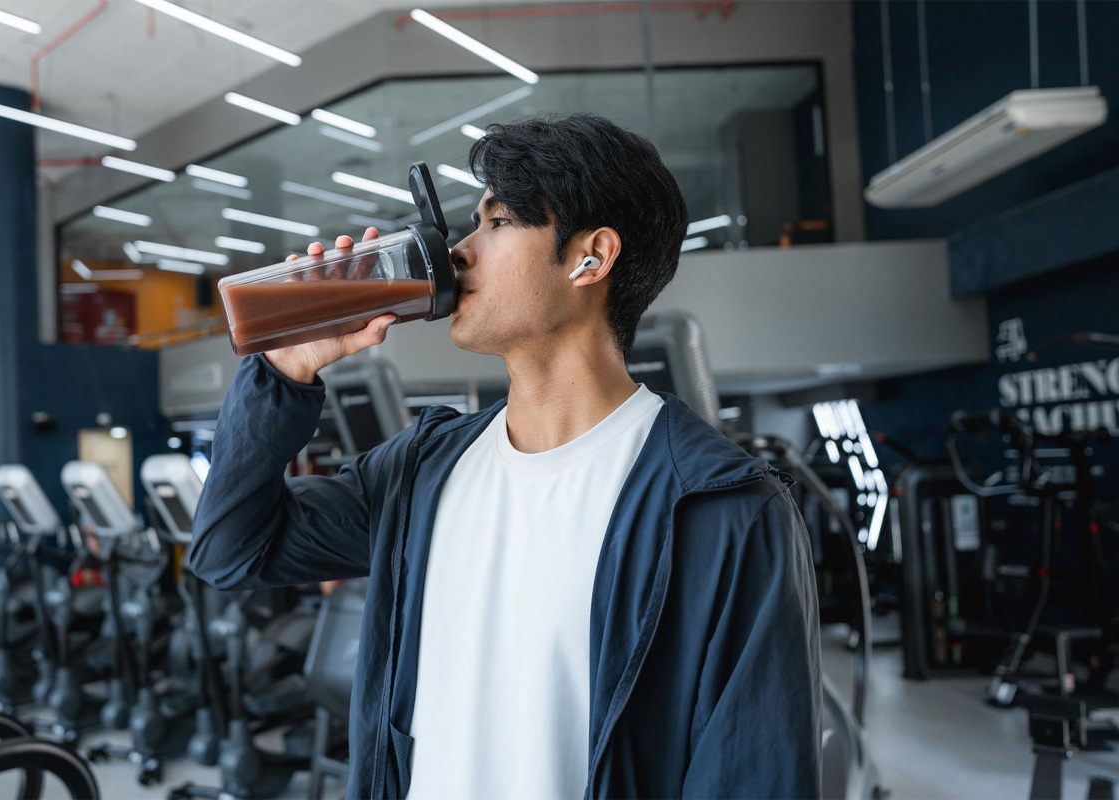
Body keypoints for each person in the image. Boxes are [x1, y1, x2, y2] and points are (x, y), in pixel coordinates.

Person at [190, 113, 821, 798]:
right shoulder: (421, 471)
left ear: (591, 256)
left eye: (497, 223)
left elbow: (755, 777)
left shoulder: (721, 509)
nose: (459, 251)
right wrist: (284, 374)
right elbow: (232, 549)